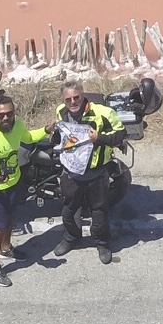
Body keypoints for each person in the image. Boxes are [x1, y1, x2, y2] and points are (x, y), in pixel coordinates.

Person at [0, 94, 49, 289]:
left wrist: (46, 130)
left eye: (9, 114)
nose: (6, 118)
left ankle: (7, 247)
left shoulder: (17, 126)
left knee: (12, 218)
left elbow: (28, 137)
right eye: (1, 115)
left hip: (15, 181)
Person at [48, 80, 127, 265]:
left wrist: (99, 138)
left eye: (76, 97)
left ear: (82, 96)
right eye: (69, 99)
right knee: (69, 210)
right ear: (64, 100)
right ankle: (70, 238)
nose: (73, 102)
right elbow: (62, 136)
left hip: (96, 173)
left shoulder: (103, 113)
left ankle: (102, 243)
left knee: (99, 212)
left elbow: (120, 134)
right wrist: (54, 134)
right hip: (70, 173)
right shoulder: (61, 111)